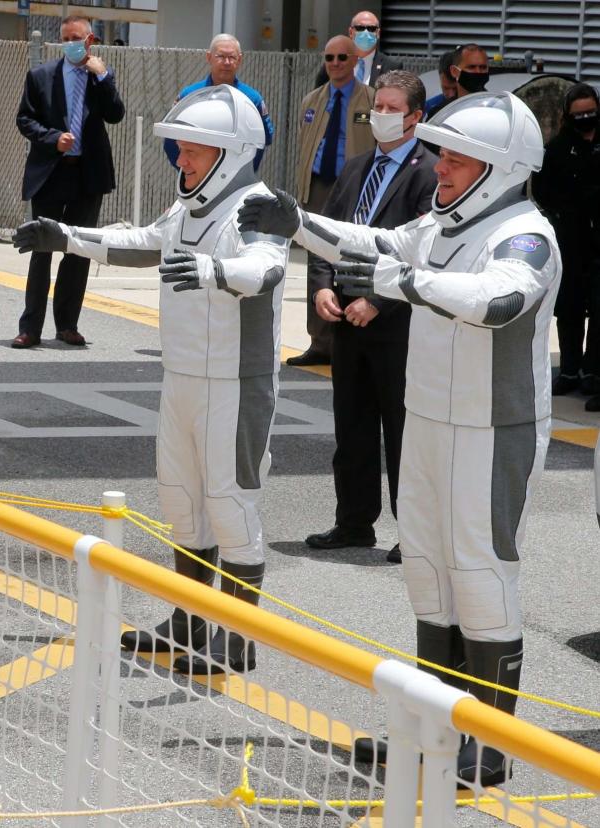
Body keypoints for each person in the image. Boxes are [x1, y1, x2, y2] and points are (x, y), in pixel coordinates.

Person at [239, 90, 558, 788]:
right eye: (443, 153)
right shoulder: (444, 225)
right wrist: (299, 223)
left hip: (492, 428)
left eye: (458, 158)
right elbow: (375, 242)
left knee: (479, 573)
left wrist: (407, 282)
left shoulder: (525, 234)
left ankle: (489, 743)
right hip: (433, 420)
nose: (441, 166)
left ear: (500, 168)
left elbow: (498, 300)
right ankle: (436, 728)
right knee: (430, 577)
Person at [14, 85, 288, 676]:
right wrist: (65, 236)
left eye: (193, 151)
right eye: (182, 149)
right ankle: (188, 625)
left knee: (231, 505)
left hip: (236, 383)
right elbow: (142, 242)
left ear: (231, 152)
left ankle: (237, 639)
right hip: (183, 375)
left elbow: (266, 268)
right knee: (182, 504)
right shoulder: (190, 203)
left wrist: (217, 269)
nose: (181, 161)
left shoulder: (258, 206)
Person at [302, 71, 437, 565]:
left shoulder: (429, 174)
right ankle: (353, 522)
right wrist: (320, 285)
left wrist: (378, 301)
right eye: (376, 106)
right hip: (345, 320)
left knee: (403, 432)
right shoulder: (356, 167)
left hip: (396, 326)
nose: (379, 114)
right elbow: (326, 234)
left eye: (391, 108)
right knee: (352, 427)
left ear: (415, 116)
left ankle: (414, 533)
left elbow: (424, 255)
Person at [11, 14, 125, 349]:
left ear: (91, 41)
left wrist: (102, 76)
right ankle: (30, 327)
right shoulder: (41, 75)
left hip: (87, 174)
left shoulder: (99, 77)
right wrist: (52, 137)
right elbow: (24, 119)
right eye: (66, 38)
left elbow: (115, 114)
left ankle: (67, 325)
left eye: (77, 38)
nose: (71, 44)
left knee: (78, 250)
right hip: (51, 172)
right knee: (42, 248)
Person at [290, 34, 375, 367]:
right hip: (319, 187)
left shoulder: (370, 100)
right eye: (329, 58)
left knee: (354, 258)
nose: (335, 64)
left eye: (342, 57)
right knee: (318, 262)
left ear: (355, 61)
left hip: (355, 187)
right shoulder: (312, 100)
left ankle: (351, 342)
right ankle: (320, 342)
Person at [532, 83, 600, 402]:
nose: (586, 119)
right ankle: (570, 370)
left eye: (591, 113)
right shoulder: (558, 149)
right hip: (571, 242)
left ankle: (593, 371)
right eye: (579, 114)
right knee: (569, 308)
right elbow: (543, 192)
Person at [162, 34, 273, 172]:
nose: (226, 62)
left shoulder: (251, 99)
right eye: (220, 56)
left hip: (236, 182)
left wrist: (243, 173)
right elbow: (171, 140)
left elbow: (263, 140)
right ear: (209, 57)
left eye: (232, 57)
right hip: (196, 183)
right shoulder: (190, 96)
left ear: (239, 60)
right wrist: (188, 172)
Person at [312, 10, 403, 88]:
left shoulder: (391, 66)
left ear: (378, 33)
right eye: (360, 28)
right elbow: (318, 97)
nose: (366, 33)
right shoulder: (336, 61)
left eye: (371, 28)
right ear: (351, 32)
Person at [423, 48, 459, 119]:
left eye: (455, 88)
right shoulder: (429, 107)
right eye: (446, 88)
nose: (451, 94)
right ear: (439, 78)